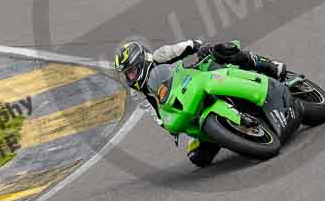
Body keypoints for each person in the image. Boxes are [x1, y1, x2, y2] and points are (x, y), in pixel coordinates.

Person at [114, 40, 287, 166]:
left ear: (143, 60)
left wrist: (201, 48)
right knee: (197, 157)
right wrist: (167, 125)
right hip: (186, 104)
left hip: (195, 77)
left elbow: (188, 46)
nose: (130, 77)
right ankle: (227, 132)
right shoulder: (137, 93)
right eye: (126, 75)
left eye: (132, 71)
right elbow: (155, 113)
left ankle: (269, 65)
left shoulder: (161, 55)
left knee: (222, 51)